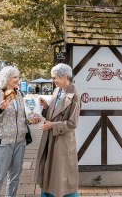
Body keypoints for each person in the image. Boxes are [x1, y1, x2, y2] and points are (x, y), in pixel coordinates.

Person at [0, 66, 38, 197]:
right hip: (3, 143)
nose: (18, 80)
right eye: (15, 77)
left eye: (18, 77)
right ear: (6, 78)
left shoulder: (19, 95)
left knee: (14, 178)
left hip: (20, 142)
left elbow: (22, 117)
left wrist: (32, 120)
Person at [34, 63, 81, 197]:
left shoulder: (75, 95)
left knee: (62, 176)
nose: (53, 81)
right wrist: (45, 108)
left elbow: (72, 123)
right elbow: (53, 114)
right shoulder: (57, 91)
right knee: (48, 173)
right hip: (50, 139)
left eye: (55, 78)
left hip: (62, 142)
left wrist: (53, 126)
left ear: (64, 76)